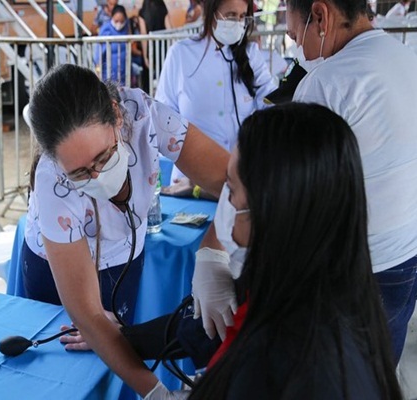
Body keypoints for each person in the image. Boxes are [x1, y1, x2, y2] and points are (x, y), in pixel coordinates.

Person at [22, 64, 229, 398]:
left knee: (116, 357)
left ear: (117, 116)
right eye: (79, 173)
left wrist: (212, 251)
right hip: (55, 268)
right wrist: (157, 393)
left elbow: (233, 180)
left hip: (122, 257)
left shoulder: (145, 116)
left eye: (104, 156)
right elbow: (87, 314)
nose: (97, 176)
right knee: (65, 376)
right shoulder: (52, 180)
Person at [185, 102, 403, 399]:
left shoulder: (275, 365)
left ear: (274, 212)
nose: (227, 206)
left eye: (232, 191)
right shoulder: (342, 309)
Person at [286, 0, 417, 365]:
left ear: (320, 15)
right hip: (407, 257)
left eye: (295, 35)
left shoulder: (325, 85)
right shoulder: (406, 58)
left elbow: (299, 203)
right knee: (379, 371)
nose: (297, 49)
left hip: (352, 273)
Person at [155, 0, 277, 198]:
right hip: (189, 185)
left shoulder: (251, 56)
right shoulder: (181, 54)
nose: (237, 23)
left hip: (241, 183)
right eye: (230, 16)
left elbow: (272, 105)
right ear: (211, 13)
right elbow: (162, 121)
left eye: (241, 17)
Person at [138, 0, 172, 93]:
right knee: (164, 80)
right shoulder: (163, 8)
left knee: (149, 84)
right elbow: (170, 30)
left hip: (150, 50)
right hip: (163, 49)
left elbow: (144, 35)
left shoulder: (142, 12)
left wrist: (145, 56)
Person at [94, 5, 130, 85]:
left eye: (121, 21)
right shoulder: (106, 29)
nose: (119, 24)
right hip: (108, 76)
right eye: (116, 21)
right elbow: (98, 55)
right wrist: (98, 72)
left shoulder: (126, 28)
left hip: (123, 75)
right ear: (112, 17)